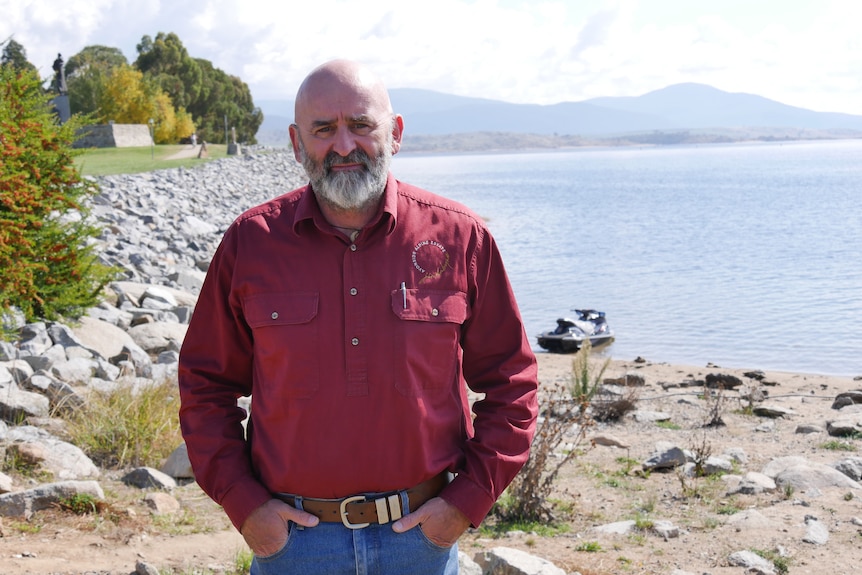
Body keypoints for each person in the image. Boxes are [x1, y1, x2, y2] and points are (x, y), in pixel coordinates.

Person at [178, 59, 538, 575]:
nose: (344, 145)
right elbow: (204, 385)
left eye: (361, 125)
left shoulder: (462, 238)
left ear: (394, 132)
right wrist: (246, 505)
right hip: (294, 546)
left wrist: (465, 504)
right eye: (323, 129)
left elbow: (514, 382)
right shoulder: (251, 243)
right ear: (297, 143)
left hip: (421, 541)